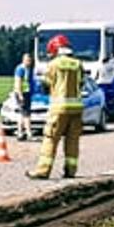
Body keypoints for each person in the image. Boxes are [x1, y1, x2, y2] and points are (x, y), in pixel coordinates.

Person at [29, 35, 86, 179]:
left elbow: (46, 83)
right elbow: (82, 83)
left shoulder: (54, 64)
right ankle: (71, 170)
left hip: (59, 108)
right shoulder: (78, 64)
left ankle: (43, 170)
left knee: (51, 138)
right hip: (77, 108)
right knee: (72, 140)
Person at [11, 52, 36, 139]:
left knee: (22, 114)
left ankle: (20, 132)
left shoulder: (29, 68)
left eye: (30, 60)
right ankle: (29, 133)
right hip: (22, 93)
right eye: (27, 60)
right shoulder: (20, 69)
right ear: (23, 60)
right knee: (26, 114)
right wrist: (20, 95)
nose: (29, 62)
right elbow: (18, 82)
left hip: (27, 93)